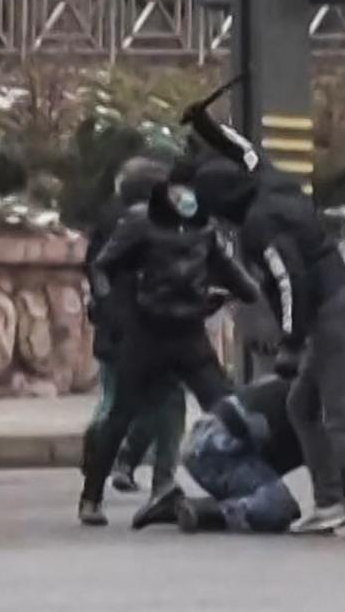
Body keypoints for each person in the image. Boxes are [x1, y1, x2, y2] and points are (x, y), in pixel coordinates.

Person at [190, 127, 345, 538]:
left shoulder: (259, 225)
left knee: (339, 418)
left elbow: (290, 281)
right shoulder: (273, 183)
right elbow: (248, 150)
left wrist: (289, 340)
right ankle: (330, 502)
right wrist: (208, 129)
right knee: (302, 407)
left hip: (332, 315)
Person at [78, 167, 260, 526]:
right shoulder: (138, 222)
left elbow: (225, 266)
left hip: (189, 332)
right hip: (147, 332)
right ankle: (91, 496)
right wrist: (111, 308)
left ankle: (244, 487)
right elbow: (101, 267)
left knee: (227, 409)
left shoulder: (204, 228)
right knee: (121, 414)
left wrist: (249, 289)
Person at [131, 373, 345, 534]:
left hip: (214, 444)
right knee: (277, 507)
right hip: (214, 448)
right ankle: (191, 509)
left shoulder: (314, 393)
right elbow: (343, 471)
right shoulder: (318, 408)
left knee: (270, 499)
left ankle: (172, 504)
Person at [83, 156, 187, 498]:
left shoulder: (108, 219)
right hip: (148, 326)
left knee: (117, 398)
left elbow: (95, 268)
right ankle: (155, 477)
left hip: (115, 323)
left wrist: (103, 307)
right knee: (164, 401)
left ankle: (107, 452)